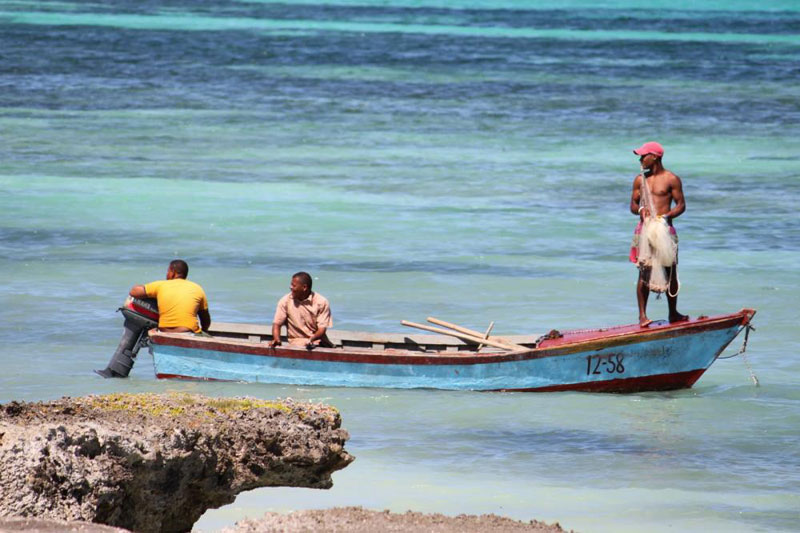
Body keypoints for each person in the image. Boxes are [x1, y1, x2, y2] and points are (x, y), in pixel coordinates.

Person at [629, 141, 688, 327]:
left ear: (654, 156)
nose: (640, 159)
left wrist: (668, 216)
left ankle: (673, 313)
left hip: (665, 229)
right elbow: (632, 205)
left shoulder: (672, 179)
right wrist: (640, 211)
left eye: (643, 156)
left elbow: (681, 205)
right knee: (643, 272)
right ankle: (642, 316)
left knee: (671, 272)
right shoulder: (640, 180)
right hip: (644, 230)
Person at [129, 259, 211, 333]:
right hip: (187, 331)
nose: (167, 274)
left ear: (173, 272)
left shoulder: (161, 285)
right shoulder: (197, 288)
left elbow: (133, 292)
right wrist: (204, 331)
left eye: (168, 271)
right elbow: (205, 320)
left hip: (164, 331)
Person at [270, 272, 333, 349]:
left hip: (317, 343)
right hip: (295, 343)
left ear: (304, 287)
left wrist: (311, 340)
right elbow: (277, 324)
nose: (290, 287)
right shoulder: (285, 301)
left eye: (294, 285)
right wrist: (277, 339)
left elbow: (322, 330)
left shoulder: (321, 302)